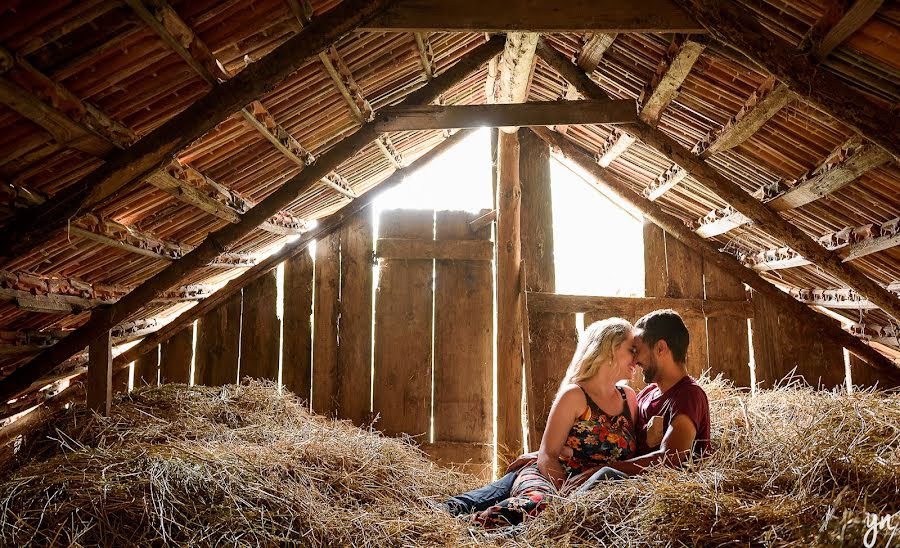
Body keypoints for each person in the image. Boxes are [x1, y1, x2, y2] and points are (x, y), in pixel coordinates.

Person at [443, 309, 711, 516]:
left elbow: (670, 458)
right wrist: (546, 453)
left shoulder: (669, 396)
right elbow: (608, 444)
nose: (636, 359)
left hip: (594, 487)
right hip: (567, 479)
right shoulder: (641, 397)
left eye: (637, 350)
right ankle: (454, 521)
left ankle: (471, 526)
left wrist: (604, 468)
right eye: (631, 350)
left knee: (544, 506)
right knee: (509, 500)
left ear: (661, 348)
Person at [446, 317, 640, 527]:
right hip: (551, 479)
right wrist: (565, 499)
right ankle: (468, 527)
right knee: (542, 505)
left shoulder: (628, 398)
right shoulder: (575, 396)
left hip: (592, 491)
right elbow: (548, 455)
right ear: (611, 349)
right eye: (632, 350)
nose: (637, 360)